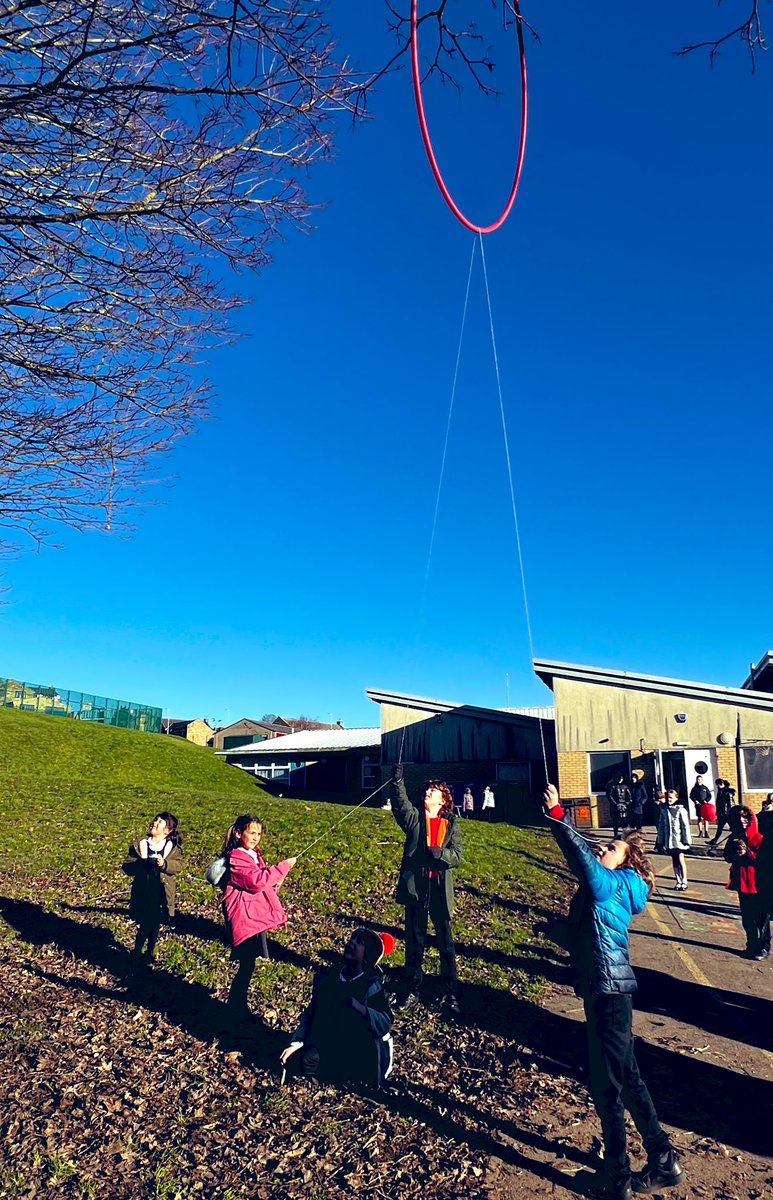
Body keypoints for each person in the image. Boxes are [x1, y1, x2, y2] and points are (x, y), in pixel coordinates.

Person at [543, 784, 683, 1200]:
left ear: (626, 862)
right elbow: (590, 936)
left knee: (608, 1086)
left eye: (612, 847)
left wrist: (558, 815)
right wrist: (555, 932)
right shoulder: (607, 890)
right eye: (605, 846)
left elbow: (581, 860)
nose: (603, 848)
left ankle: (617, 1179)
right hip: (605, 989)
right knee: (628, 1077)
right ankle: (663, 1161)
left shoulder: (614, 884)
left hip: (609, 992)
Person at [280, 928, 395, 1087]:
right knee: (305, 1059)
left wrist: (362, 1009)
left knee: (354, 1074)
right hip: (328, 1042)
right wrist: (297, 1043)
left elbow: (385, 1024)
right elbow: (311, 1014)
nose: (352, 943)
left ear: (368, 956)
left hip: (357, 1048)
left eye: (359, 942)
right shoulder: (329, 978)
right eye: (352, 938)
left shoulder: (372, 987)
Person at [390, 764, 462, 1015]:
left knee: (446, 945)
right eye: (427, 790)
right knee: (414, 942)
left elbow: (457, 855)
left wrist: (442, 854)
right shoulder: (414, 820)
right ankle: (412, 988)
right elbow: (401, 805)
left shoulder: (451, 823)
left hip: (440, 890)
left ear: (443, 800)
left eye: (434, 791)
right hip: (416, 889)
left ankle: (450, 992)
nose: (428, 793)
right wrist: (397, 782)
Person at [221, 813, 297, 1021]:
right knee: (246, 964)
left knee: (249, 964)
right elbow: (255, 882)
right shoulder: (237, 857)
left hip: (253, 918)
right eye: (252, 833)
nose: (256, 837)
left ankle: (238, 1004)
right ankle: (235, 1007)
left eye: (259, 834)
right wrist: (283, 867)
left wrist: (275, 881)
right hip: (244, 919)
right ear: (239, 833)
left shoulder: (253, 855)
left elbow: (261, 885)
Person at [122, 811, 183, 965]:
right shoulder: (141, 844)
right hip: (143, 890)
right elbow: (127, 866)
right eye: (155, 819)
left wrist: (164, 864)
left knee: (154, 922)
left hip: (161, 892)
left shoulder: (171, 848)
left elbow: (178, 865)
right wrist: (141, 864)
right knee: (145, 922)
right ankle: (138, 951)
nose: (154, 822)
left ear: (167, 831)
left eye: (160, 822)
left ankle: (147, 951)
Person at [724, 805, 770, 960]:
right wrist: (733, 851)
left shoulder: (760, 837)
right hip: (742, 883)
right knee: (747, 917)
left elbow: (764, 860)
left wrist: (747, 853)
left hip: (759, 882)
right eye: (738, 817)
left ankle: (763, 946)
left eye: (745, 817)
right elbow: (727, 857)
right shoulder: (734, 836)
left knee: (762, 917)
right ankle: (751, 944)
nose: (742, 820)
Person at [657, 789, 691, 890]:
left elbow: (685, 826)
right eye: (668, 798)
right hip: (669, 840)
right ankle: (678, 880)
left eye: (671, 798)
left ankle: (684, 880)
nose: (669, 799)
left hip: (679, 840)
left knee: (681, 858)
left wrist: (686, 840)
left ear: (676, 798)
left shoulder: (681, 810)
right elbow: (661, 826)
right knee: (674, 860)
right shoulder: (664, 810)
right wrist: (660, 841)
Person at [707, 780, 733, 854]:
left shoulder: (728, 793)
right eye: (718, 784)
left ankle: (735, 841)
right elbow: (719, 803)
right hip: (721, 813)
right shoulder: (720, 791)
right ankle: (714, 841)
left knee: (733, 828)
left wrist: (728, 813)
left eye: (720, 784)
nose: (718, 786)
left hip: (726, 814)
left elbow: (730, 804)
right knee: (720, 828)